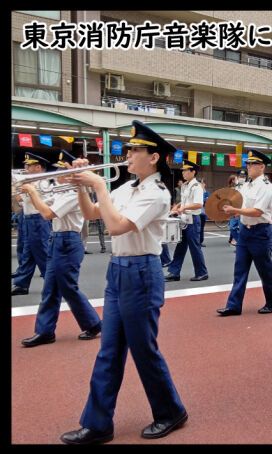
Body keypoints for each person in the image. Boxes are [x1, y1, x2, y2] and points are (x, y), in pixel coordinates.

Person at [60, 120, 187, 444]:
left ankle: (171, 411)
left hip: (141, 272)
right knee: (109, 350)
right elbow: (90, 213)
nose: (128, 154)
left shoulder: (157, 194)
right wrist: (80, 184)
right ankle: (99, 424)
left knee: (144, 350)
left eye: (135, 150)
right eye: (128, 149)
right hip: (118, 271)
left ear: (154, 157)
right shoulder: (126, 188)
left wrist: (98, 185)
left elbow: (116, 227)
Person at [19, 150, 102, 347]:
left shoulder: (73, 193)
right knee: (50, 287)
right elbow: (41, 204)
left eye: (60, 170)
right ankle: (45, 331)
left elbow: (47, 214)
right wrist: (29, 191)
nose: (56, 174)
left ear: (73, 174)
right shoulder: (61, 191)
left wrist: (32, 191)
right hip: (56, 240)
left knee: (68, 287)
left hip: (68, 241)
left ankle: (93, 323)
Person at [216, 149, 272, 316]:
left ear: (262, 167)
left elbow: (257, 211)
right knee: (239, 270)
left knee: (264, 271)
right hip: (245, 231)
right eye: (248, 163)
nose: (249, 166)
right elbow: (242, 208)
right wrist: (230, 211)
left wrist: (235, 210)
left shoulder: (266, 187)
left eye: (253, 164)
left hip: (260, 232)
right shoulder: (246, 185)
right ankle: (234, 305)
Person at [12, 153, 53, 296]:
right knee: (27, 253)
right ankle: (21, 284)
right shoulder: (29, 181)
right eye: (26, 165)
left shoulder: (43, 183)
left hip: (38, 219)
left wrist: (25, 187)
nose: (26, 167)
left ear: (38, 167)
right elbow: (20, 200)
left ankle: (52, 282)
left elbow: (42, 202)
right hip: (29, 218)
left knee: (42, 252)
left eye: (29, 165)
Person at [164, 160, 208, 282]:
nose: (183, 172)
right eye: (183, 170)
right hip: (184, 219)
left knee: (194, 247)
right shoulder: (185, 185)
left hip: (193, 219)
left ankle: (202, 272)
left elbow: (199, 204)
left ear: (193, 172)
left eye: (185, 170)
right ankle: (174, 272)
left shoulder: (197, 186)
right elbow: (185, 201)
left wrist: (184, 208)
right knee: (180, 246)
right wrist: (177, 206)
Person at [199, 178, 210, 247]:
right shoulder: (197, 191)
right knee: (197, 228)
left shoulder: (206, 192)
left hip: (203, 213)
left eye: (203, 183)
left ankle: (200, 241)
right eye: (202, 183)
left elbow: (210, 199)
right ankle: (197, 241)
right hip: (197, 213)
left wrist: (206, 199)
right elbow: (199, 201)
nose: (203, 184)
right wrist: (205, 199)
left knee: (201, 227)